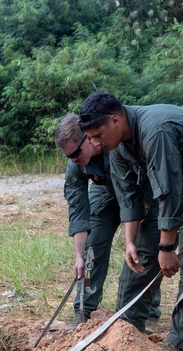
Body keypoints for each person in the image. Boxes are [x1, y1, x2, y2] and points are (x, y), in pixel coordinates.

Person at [78, 92, 183, 351]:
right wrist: (129, 242)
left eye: (97, 136)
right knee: (141, 254)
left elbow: (170, 191)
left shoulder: (154, 130)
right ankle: (126, 331)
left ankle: (179, 344)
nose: (94, 144)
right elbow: (129, 198)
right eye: (89, 138)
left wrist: (168, 248)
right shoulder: (118, 145)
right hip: (174, 179)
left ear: (115, 120)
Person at [55, 113, 159, 330]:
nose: (72, 159)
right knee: (91, 251)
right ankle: (83, 311)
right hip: (104, 192)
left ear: (89, 138)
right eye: (68, 156)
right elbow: (78, 211)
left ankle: (144, 311)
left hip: (139, 193)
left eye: (75, 153)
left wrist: (141, 222)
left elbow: (148, 184)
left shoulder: (118, 144)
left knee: (143, 248)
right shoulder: (76, 164)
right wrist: (78, 256)